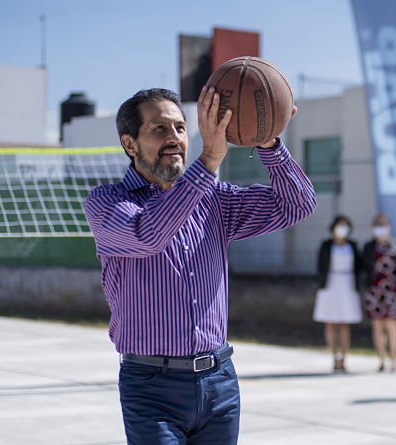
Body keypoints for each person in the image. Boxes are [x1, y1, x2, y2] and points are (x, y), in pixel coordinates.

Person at [84, 87, 315, 444]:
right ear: (129, 144)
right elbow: (148, 235)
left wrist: (269, 145)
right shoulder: (107, 204)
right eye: (159, 129)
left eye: (179, 127)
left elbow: (296, 205)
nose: (174, 137)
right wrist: (208, 160)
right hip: (151, 386)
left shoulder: (215, 200)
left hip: (218, 380)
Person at [314, 215, 363, 373]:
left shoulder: (353, 246)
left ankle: (344, 357)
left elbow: (359, 266)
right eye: (339, 225)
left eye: (345, 225)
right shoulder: (326, 245)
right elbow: (320, 265)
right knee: (331, 322)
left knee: (344, 323)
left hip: (347, 284)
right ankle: (334, 356)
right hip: (330, 285)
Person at [362, 213, 396, 373]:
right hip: (375, 291)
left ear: (389, 227)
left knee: (392, 324)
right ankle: (381, 359)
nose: (380, 229)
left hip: (393, 290)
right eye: (377, 226)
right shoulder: (369, 247)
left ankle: (394, 358)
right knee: (378, 325)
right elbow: (364, 267)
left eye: (383, 225)